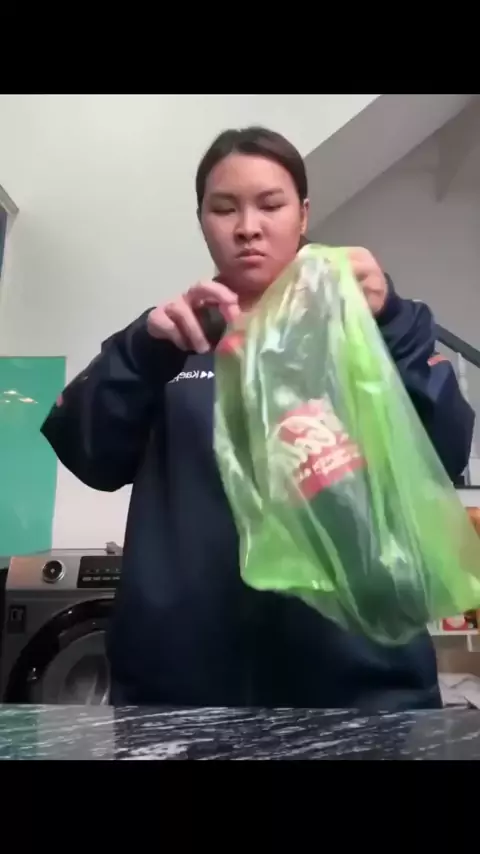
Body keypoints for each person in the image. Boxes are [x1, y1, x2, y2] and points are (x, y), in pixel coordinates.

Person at [41, 126, 475, 712]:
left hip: (362, 686)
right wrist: (142, 352)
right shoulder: (172, 335)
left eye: (270, 205)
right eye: (224, 209)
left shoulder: (371, 324)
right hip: (183, 692)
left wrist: (392, 322)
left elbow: (445, 451)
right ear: (202, 221)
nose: (248, 226)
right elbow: (87, 453)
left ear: (303, 214)